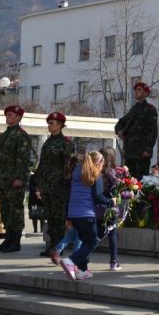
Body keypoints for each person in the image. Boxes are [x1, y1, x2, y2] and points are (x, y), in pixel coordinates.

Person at [60, 152, 115, 281]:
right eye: (103, 164)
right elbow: (98, 197)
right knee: (92, 241)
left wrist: (67, 217)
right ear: (99, 163)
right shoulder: (96, 175)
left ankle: (82, 270)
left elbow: (69, 196)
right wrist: (111, 202)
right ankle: (70, 261)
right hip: (87, 214)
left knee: (85, 241)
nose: (103, 167)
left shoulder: (76, 174)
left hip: (74, 214)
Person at [34, 111, 74, 255]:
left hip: (59, 186)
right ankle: (51, 245)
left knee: (59, 217)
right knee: (50, 216)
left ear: (60, 125)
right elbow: (42, 164)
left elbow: (68, 166)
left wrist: (64, 183)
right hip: (47, 185)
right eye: (49, 123)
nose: (49, 126)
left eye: (52, 123)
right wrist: (38, 183)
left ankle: (58, 247)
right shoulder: (48, 142)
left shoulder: (66, 143)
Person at [0, 104, 32, 253]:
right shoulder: (5, 135)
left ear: (18, 117)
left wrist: (20, 177)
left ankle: (15, 241)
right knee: (5, 210)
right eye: (7, 115)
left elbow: (23, 159)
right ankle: (8, 239)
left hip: (15, 179)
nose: (7, 117)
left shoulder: (21, 135)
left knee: (15, 210)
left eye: (10, 115)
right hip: (4, 179)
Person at [114, 82, 158, 179]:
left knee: (141, 181)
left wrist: (148, 149)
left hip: (141, 153)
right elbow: (121, 122)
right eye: (136, 90)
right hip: (130, 153)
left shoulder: (150, 109)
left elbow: (153, 131)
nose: (136, 92)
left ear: (146, 93)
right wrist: (119, 131)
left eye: (139, 90)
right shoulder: (134, 109)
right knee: (129, 181)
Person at [98, 146, 124, 271]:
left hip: (98, 207)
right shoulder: (115, 173)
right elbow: (122, 187)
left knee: (97, 234)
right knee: (112, 234)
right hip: (111, 207)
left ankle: (82, 257)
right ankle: (114, 261)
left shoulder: (97, 172)